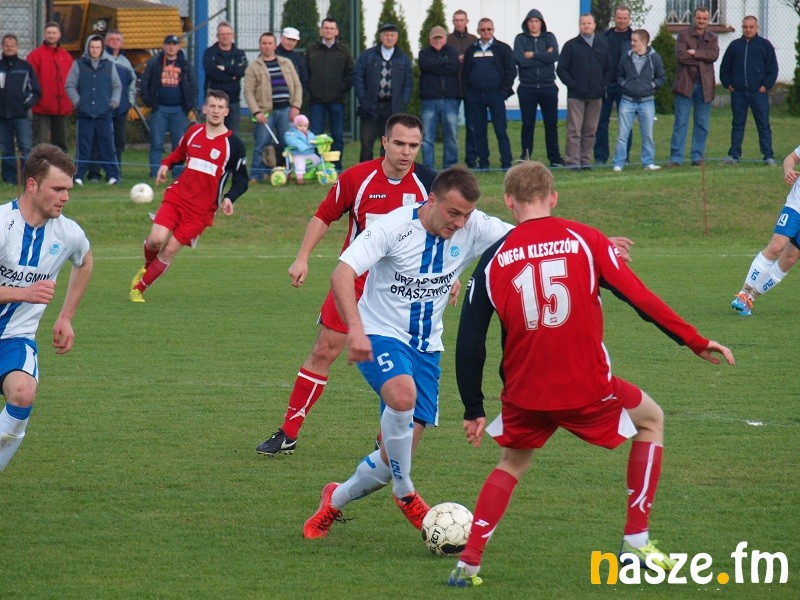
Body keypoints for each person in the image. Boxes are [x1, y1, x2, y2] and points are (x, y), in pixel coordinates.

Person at [445, 161, 735, 587]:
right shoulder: (585, 238)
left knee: (511, 463)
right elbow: (639, 297)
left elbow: (470, 340)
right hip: (586, 387)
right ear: (553, 197)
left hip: (524, 392)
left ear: (508, 201)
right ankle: (636, 543)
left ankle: (468, 563)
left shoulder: (492, 259)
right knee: (652, 420)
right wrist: (693, 340)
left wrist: (473, 406)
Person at [303, 165, 513, 540]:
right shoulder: (393, 226)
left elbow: (531, 237)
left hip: (427, 348)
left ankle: (335, 498)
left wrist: (590, 244)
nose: (460, 223)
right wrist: (356, 331)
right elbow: (341, 274)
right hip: (379, 334)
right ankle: (406, 493)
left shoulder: (474, 226)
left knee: (390, 461)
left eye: (466, 215)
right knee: (402, 397)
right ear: (431, 200)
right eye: (453, 213)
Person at [254, 113, 437, 456]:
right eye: (399, 143)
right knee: (324, 350)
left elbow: (445, 230)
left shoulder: (429, 184)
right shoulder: (357, 178)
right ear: (384, 142)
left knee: (401, 365)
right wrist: (302, 257)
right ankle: (289, 431)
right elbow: (324, 215)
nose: (406, 152)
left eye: (413, 145)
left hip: (402, 289)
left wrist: (449, 275)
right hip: (354, 281)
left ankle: (386, 440)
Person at [0, 143, 93, 472]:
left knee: (23, 392)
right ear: (32, 184)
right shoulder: (2, 224)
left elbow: (85, 261)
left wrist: (66, 316)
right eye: (57, 189)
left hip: (14, 337)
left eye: (68, 190)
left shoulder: (68, 233)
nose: (65, 197)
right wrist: (21, 293)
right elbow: (24, 292)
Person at [129, 90, 248, 303]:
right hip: (177, 197)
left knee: (169, 250)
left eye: (220, 107)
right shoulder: (193, 132)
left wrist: (230, 197)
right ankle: (147, 266)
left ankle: (138, 289)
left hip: (201, 211)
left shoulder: (234, 145)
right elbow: (179, 153)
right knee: (156, 239)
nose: (216, 111)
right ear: (204, 109)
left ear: (227, 112)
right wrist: (166, 164)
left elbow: (242, 180)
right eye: (212, 106)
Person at [730, 147, 800, 316]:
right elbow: (791, 158)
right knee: (776, 246)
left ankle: (750, 299)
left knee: (789, 259)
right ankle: (743, 293)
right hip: (796, 206)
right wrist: (788, 170)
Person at [244, 32, 302, 184]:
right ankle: (256, 174)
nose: (267, 46)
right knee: (261, 144)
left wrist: (296, 106)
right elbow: (248, 92)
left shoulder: (286, 63)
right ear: (260, 45)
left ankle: (288, 172)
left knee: (287, 143)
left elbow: (297, 85)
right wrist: (256, 112)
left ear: (275, 46)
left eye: (270, 43)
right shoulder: (253, 68)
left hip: (286, 111)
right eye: (264, 43)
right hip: (265, 112)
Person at [556, 13, 613, 170]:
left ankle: (585, 161)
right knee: (574, 130)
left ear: (594, 25)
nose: (586, 26)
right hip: (576, 96)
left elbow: (609, 68)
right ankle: (573, 163)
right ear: (579, 25)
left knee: (590, 131)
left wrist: (603, 85)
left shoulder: (602, 45)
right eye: (583, 23)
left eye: (589, 23)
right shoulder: (571, 45)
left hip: (596, 96)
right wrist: (573, 84)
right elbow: (561, 69)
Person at [720, 16, 778, 167]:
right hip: (738, 93)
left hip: (759, 93)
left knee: (763, 124)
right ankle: (734, 155)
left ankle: (768, 156)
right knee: (737, 124)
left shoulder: (765, 45)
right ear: (742, 27)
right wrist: (728, 85)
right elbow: (725, 67)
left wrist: (765, 86)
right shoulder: (734, 46)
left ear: (757, 27)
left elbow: (773, 68)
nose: (748, 30)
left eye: (751, 27)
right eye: (745, 27)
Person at [65, 35, 122, 186]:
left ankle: (113, 175)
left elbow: (117, 86)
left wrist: (113, 102)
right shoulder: (78, 64)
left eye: (97, 47)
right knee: (83, 147)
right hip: (85, 114)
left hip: (105, 114)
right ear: (87, 48)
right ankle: (78, 176)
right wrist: (78, 102)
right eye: (92, 47)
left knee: (108, 146)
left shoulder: (109, 65)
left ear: (102, 49)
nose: (94, 50)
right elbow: (69, 85)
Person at [140, 35, 199, 179]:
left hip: (179, 110)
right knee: (156, 143)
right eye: (169, 44)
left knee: (178, 144)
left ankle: (177, 174)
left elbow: (193, 85)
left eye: (174, 44)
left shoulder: (185, 64)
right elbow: (145, 82)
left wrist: (188, 105)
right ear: (164, 46)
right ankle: (155, 173)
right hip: (159, 109)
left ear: (179, 47)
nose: (171, 47)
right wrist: (150, 102)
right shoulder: (155, 63)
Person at [667, 7, 719, 168]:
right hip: (685, 84)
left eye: (704, 18)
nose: (701, 21)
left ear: (708, 20)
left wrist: (695, 53)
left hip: (705, 86)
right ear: (694, 18)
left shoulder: (713, 37)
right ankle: (676, 158)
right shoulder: (683, 34)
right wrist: (703, 58)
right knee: (681, 123)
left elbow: (714, 55)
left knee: (702, 123)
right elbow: (681, 56)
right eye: (699, 18)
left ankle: (697, 157)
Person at [354, 24, 413, 163]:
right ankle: (365, 171)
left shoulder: (403, 58)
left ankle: (385, 170)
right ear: (381, 37)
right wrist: (363, 99)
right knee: (366, 142)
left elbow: (408, 82)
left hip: (392, 108)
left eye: (392, 35)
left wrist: (402, 102)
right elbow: (358, 77)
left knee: (388, 143)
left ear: (397, 38)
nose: (389, 38)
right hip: (370, 106)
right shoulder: (368, 56)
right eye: (386, 35)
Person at [513, 9, 565, 167]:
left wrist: (533, 55)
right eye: (530, 21)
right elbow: (520, 60)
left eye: (536, 21)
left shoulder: (549, 37)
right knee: (528, 124)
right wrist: (544, 56)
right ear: (526, 23)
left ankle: (555, 158)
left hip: (548, 87)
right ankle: (526, 157)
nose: (533, 24)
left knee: (551, 124)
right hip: (527, 87)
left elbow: (554, 56)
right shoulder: (520, 39)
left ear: (541, 23)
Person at [462, 18, 515, 171]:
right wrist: (468, 93)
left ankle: (506, 163)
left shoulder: (503, 48)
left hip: (496, 95)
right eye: (483, 29)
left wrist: (503, 92)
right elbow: (465, 73)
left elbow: (511, 71)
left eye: (489, 29)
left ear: (493, 30)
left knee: (500, 130)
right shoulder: (471, 49)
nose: (486, 32)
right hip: (475, 96)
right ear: (478, 31)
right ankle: (483, 163)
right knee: (479, 131)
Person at [612, 29, 665, 172]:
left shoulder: (654, 58)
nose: (632, 43)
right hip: (627, 101)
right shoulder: (626, 57)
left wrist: (650, 86)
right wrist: (625, 85)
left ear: (644, 42)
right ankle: (618, 163)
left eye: (635, 40)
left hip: (647, 101)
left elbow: (661, 78)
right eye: (632, 40)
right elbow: (619, 75)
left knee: (647, 135)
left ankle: (648, 163)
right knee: (622, 135)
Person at [87, 30, 137, 182]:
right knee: (98, 140)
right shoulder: (100, 59)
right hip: (101, 109)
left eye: (118, 39)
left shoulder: (125, 62)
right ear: (105, 42)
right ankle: (94, 173)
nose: (115, 42)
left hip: (120, 109)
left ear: (122, 43)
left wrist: (129, 102)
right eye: (112, 39)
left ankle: (115, 173)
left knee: (118, 142)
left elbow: (132, 83)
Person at [306, 18, 354, 172]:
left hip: (337, 101)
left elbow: (350, 73)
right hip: (316, 101)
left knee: (337, 136)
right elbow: (306, 74)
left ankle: (336, 166)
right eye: (326, 28)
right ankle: (316, 166)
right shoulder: (312, 50)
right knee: (315, 136)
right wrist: (311, 89)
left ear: (336, 31)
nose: (328, 31)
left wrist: (341, 89)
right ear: (321, 30)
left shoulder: (343, 51)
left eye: (332, 28)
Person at [594, 6, 633, 165]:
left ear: (629, 19)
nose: (622, 21)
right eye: (619, 18)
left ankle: (624, 156)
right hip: (605, 85)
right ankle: (600, 157)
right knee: (601, 122)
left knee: (626, 123)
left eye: (625, 18)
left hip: (625, 86)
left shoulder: (634, 38)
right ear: (614, 18)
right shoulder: (604, 37)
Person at [0, 34, 40, 185]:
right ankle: (9, 179)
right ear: (2, 47)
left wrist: (25, 105)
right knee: (6, 149)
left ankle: (27, 179)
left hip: (21, 116)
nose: (9, 48)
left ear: (17, 47)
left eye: (12, 45)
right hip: (2, 117)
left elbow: (35, 91)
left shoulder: (25, 67)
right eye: (7, 45)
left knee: (25, 148)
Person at [26, 22, 73, 153]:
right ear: (45, 34)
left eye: (54, 33)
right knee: (39, 143)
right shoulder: (35, 55)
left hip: (62, 107)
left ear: (59, 35)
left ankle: (61, 166)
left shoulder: (66, 56)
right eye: (49, 33)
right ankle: (37, 165)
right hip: (42, 106)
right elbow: (29, 80)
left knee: (61, 144)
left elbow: (72, 80)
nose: (51, 36)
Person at [418, 26, 460, 170]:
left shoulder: (452, 52)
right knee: (427, 137)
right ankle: (428, 168)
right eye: (434, 38)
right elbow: (425, 65)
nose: (437, 41)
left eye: (440, 38)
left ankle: (450, 167)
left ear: (445, 39)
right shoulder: (424, 53)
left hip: (450, 100)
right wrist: (443, 62)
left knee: (451, 136)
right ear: (430, 39)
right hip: (429, 100)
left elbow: (453, 68)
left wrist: (434, 64)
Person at [202, 21, 248, 136]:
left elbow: (242, 71)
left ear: (233, 35)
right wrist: (232, 76)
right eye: (222, 34)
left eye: (228, 34)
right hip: (214, 102)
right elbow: (212, 72)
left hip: (233, 101)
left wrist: (224, 68)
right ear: (217, 36)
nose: (225, 36)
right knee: (212, 134)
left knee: (232, 135)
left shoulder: (239, 54)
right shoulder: (210, 53)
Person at [446, 10, 478, 167]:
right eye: (456, 20)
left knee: (472, 125)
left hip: (470, 87)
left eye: (461, 20)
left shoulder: (474, 40)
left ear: (467, 21)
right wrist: (455, 58)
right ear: (453, 22)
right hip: (452, 88)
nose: (459, 23)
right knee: (451, 128)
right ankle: (451, 161)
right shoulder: (447, 39)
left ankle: (471, 159)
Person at [284, 114, 320, 184]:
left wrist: (318, 141)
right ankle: (300, 177)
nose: (303, 128)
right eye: (300, 126)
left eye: (305, 126)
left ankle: (318, 172)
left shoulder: (310, 134)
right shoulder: (291, 134)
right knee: (300, 163)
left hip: (310, 152)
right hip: (298, 153)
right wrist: (303, 147)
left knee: (318, 160)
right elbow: (294, 142)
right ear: (295, 126)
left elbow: (314, 140)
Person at [277, 27, 309, 101]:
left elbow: (303, 81)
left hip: (292, 101)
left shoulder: (299, 59)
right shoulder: (270, 55)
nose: (290, 43)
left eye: (294, 40)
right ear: (281, 38)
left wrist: (297, 101)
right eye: (288, 39)